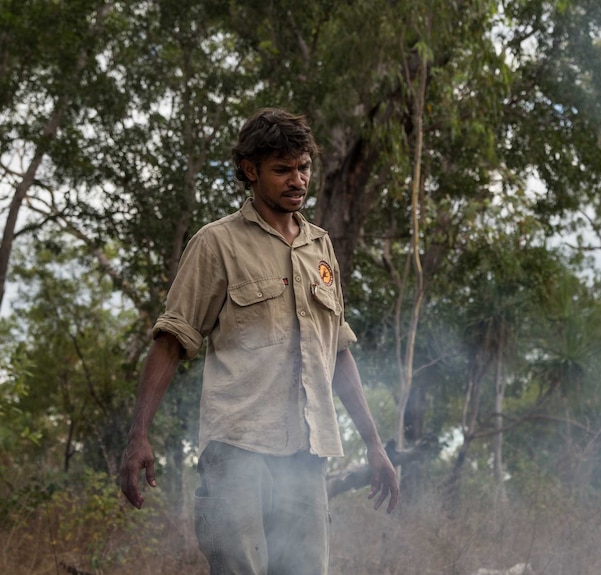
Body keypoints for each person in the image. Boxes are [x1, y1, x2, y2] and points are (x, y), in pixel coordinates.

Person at [119, 108, 399, 574]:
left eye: (304, 167)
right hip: (237, 448)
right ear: (251, 171)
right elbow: (172, 340)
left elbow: (338, 353)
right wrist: (138, 437)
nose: (297, 180)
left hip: (306, 455)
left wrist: (375, 444)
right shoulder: (217, 243)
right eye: (282, 169)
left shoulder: (320, 247)